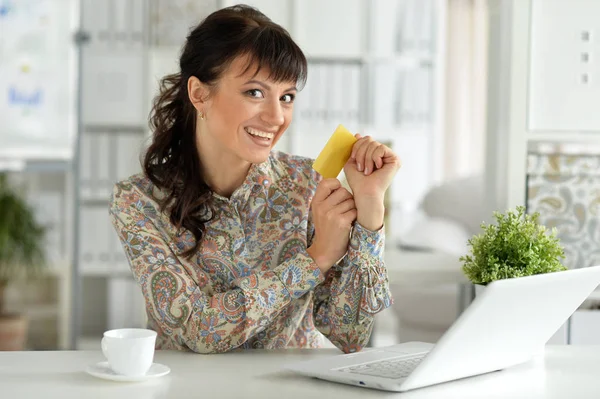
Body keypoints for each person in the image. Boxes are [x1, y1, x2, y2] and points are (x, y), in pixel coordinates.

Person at [109, 4, 401, 354]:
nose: (276, 116)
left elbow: (348, 334)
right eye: (255, 92)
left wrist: (370, 212)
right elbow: (199, 329)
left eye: (287, 97)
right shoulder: (139, 201)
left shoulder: (310, 184)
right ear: (200, 94)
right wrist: (316, 258)